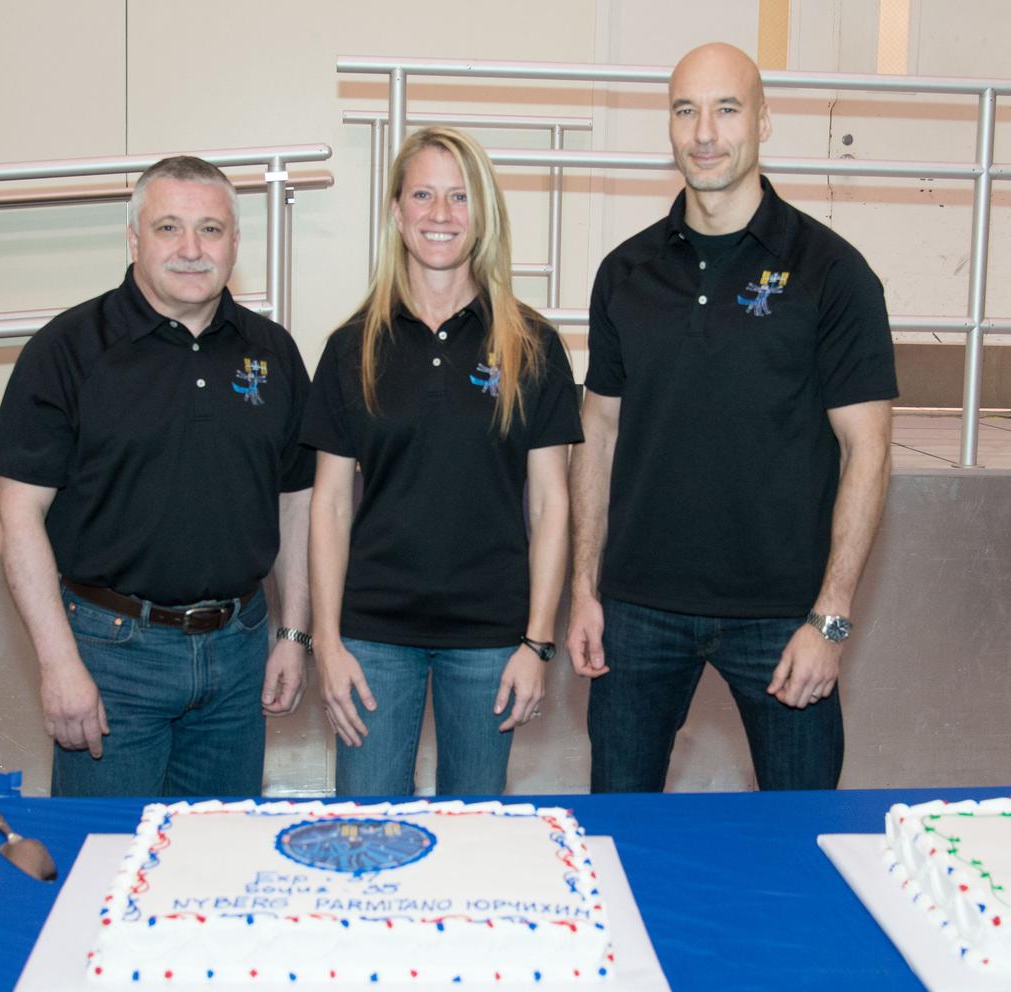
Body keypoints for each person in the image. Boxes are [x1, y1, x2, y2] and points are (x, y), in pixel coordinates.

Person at [567, 43, 897, 793]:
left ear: (764, 121)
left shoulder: (833, 273)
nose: (704, 131)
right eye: (686, 110)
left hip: (783, 617)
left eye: (726, 108)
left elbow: (868, 450)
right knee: (623, 838)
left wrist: (831, 619)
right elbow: (600, 433)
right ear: (671, 126)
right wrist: (584, 589)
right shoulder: (625, 272)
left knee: (801, 842)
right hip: (638, 611)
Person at [0, 156, 314, 797]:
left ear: (235, 244)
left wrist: (293, 632)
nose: (192, 250)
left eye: (211, 230)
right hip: (112, 658)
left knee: (214, 866)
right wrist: (58, 666)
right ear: (133, 240)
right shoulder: (68, 350)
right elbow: (12, 518)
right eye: (168, 228)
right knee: (104, 864)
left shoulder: (272, 352)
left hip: (239, 653)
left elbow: (296, 499)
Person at [304, 127, 582, 797]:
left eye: (460, 197)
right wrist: (327, 640)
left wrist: (538, 643)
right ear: (397, 214)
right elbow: (330, 505)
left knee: (477, 841)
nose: (440, 214)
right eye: (423, 194)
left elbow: (550, 506)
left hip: (491, 640)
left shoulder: (533, 345)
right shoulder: (351, 349)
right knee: (367, 837)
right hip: (372, 638)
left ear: (482, 215)